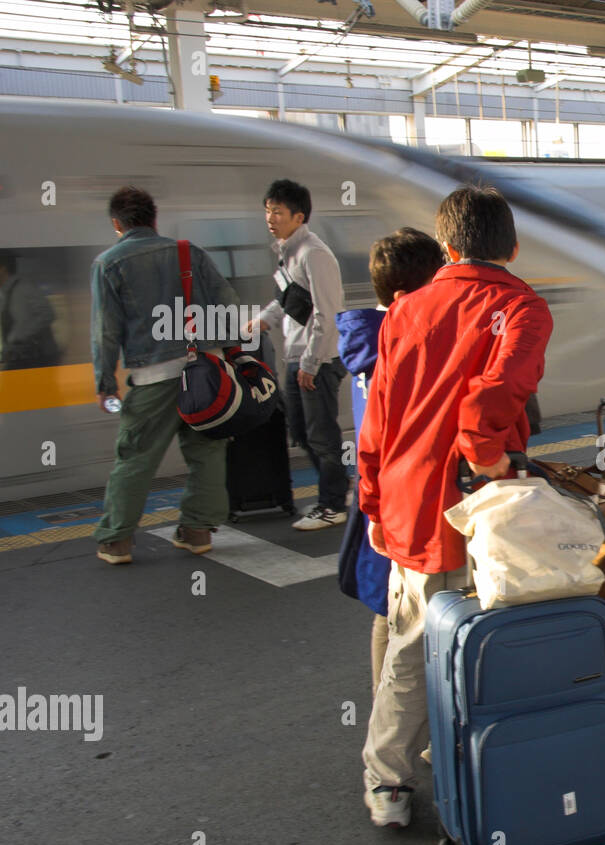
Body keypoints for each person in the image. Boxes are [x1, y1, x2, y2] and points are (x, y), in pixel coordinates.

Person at [356, 185, 551, 828]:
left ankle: (388, 784)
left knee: (410, 648)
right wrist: (486, 454)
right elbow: (486, 406)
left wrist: (373, 503)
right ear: (513, 246)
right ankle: (479, 759)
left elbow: (377, 423)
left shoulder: (404, 310)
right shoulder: (521, 308)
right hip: (482, 511)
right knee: (493, 639)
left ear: (446, 246)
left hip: (410, 505)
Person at [90, 186, 238, 565]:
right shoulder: (191, 253)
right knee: (206, 452)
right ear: (154, 220)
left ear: (116, 224)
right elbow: (228, 305)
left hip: (152, 378)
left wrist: (105, 384)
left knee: (136, 457)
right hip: (205, 372)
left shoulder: (109, 264)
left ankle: (117, 542)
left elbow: (105, 331)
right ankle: (197, 532)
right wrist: (219, 354)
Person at [336, 227, 445, 697]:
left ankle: (393, 722)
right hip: (401, 501)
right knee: (407, 617)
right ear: (404, 296)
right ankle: (405, 734)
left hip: (378, 494)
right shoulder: (399, 345)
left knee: (390, 611)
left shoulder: (370, 341)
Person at [247, 179, 347, 531]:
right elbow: (289, 299)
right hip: (297, 357)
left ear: (298, 216)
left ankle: (333, 505)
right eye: (267, 211)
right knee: (303, 434)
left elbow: (327, 312)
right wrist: (261, 321)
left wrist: (310, 364)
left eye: (277, 212)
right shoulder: (287, 251)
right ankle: (336, 491)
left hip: (316, 360)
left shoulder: (313, 254)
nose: (270, 218)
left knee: (321, 435)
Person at [0, 252, 59, 370]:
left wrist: (19, 336)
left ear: (2, 269)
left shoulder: (24, 287)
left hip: (37, 358)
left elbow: (48, 314)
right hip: (19, 355)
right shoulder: (4, 293)